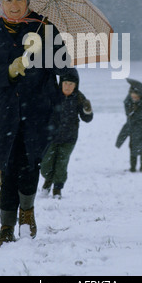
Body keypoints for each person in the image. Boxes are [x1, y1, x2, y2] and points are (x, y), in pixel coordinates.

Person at [0, 0, 70, 246]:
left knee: (30, 166)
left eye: (19, 0)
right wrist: (8, 70)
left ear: (27, 2)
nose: (14, 5)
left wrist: (45, 57)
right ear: (1, 3)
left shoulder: (46, 29)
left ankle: (27, 212)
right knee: (8, 169)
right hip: (6, 112)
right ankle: (6, 226)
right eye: (8, 1)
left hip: (38, 112)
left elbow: (63, 67)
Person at [40, 68, 93, 198]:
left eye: (71, 84)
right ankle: (48, 180)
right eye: (65, 83)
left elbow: (87, 119)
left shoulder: (79, 98)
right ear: (61, 83)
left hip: (69, 138)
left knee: (61, 164)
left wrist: (87, 111)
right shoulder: (53, 95)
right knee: (46, 164)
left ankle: (57, 189)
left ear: (76, 85)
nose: (68, 86)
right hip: (51, 137)